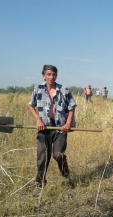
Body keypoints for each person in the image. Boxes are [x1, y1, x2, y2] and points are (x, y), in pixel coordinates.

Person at [28, 64, 77, 197]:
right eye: (48, 74)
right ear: (44, 75)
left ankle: (65, 175)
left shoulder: (63, 89)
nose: (51, 77)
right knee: (42, 158)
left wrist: (67, 123)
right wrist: (38, 120)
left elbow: (72, 107)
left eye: (54, 74)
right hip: (44, 128)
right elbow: (31, 105)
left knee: (58, 155)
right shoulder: (37, 89)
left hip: (60, 129)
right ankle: (40, 184)